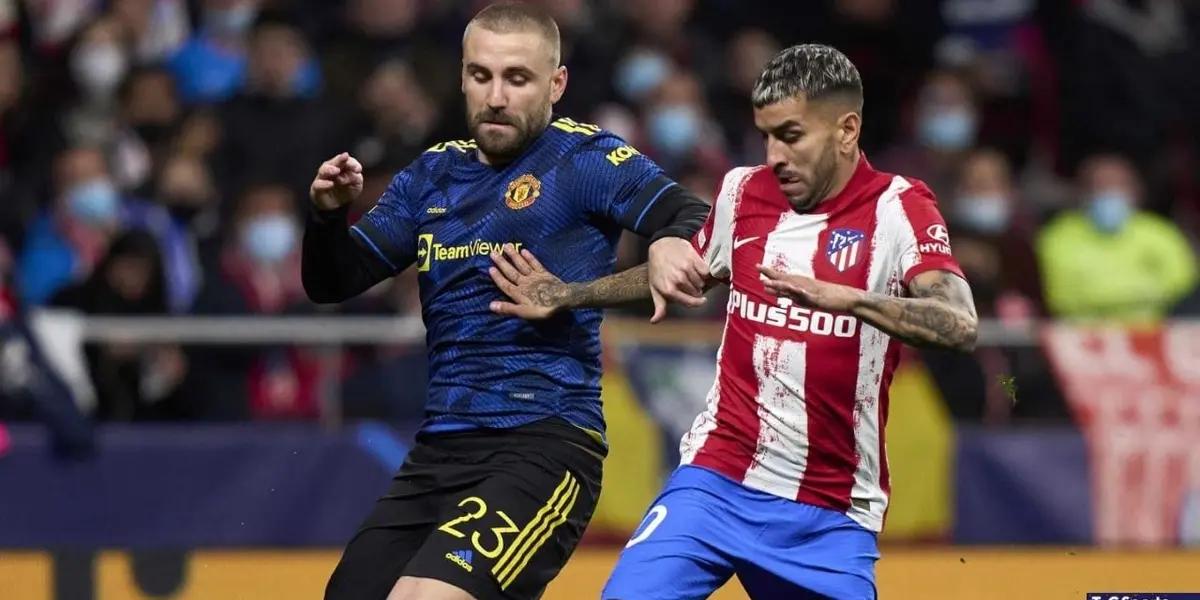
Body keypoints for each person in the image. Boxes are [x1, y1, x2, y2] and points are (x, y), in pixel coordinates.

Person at [487, 44, 978, 599]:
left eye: (790, 135)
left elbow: (959, 323)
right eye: (766, 134)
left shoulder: (899, 209)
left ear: (846, 130)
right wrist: (568, 293)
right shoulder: (743, 192)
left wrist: (854, 301)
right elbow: (681, 270)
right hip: (716, 481)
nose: (774, 154)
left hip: (830, 513)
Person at [301, 3, 709, 600]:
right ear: (463, 77)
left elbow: (687, 215)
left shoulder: (584, 159)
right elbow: (332, 282)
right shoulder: (432, 174)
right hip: (438, 450)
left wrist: (583, 289)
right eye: (481, 75)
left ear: (556, 84)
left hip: (544, 444)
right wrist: (328, 217)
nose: (495, 96)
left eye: (517, 78)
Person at [1036, 153, 1197, 322]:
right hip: (1081, 335)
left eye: (1118, 185)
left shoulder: (1159, 232)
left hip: (1157, 333)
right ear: (1082, 192)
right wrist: (1139, 295)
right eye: (1100, 186)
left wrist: (1105, 297)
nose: (1109, 193)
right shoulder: (1058, 236)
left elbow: (1184, 290)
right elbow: (1058, 297)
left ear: (1136, 191)